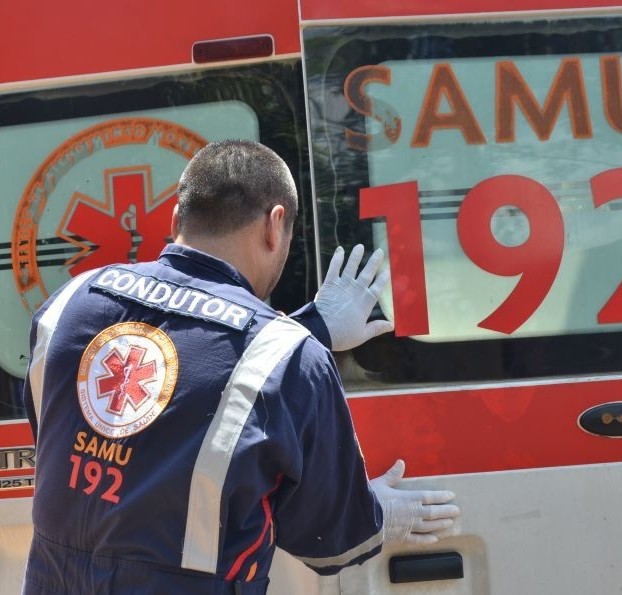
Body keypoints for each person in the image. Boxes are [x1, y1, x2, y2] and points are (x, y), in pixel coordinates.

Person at [22, 140, 459, 595]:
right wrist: (376, 516)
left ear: (176, 220)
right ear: (274, 226)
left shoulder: (70, 303)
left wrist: (310, 331)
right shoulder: (291, 360)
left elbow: (88, 431)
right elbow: (330, 542)